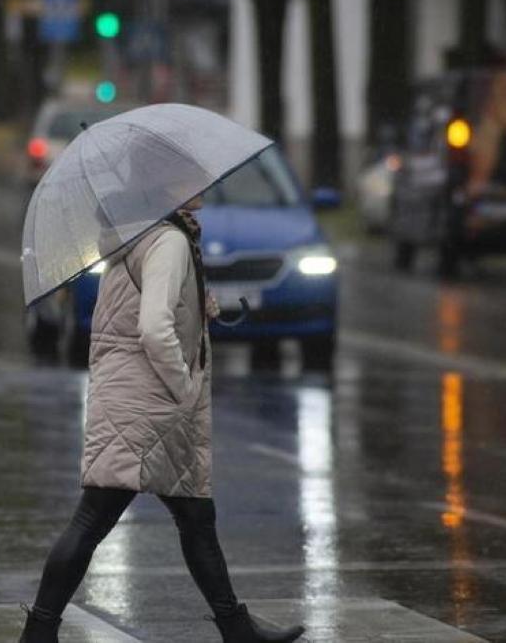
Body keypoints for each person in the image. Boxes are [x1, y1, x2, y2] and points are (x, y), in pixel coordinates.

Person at [20, 196, 305, 643]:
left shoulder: (139, 232)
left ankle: (236, 628)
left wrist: (196, 305)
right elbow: (153, 327)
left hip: (134, 398)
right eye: (192, 181)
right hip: (147, 403)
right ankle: (38, 631)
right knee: (94, 518)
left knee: (195, 517)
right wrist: (184, 385)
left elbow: (138, 306)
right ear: (168, 189)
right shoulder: (168, 240)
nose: (205, 188)